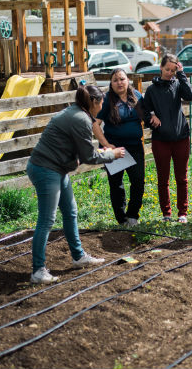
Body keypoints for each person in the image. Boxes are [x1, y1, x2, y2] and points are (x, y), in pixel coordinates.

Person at [27, 85, 125, 284]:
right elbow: (89, 156)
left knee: (70, 211)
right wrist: (111, 155)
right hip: (46, 169)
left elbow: (77, 149)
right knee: (47, 220)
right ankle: (38, 270)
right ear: (94, 102)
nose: (103, 105)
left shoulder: (77, 112)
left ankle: (78, 256)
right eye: (102, 102)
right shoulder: (80, 119)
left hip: (57, 168)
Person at [143, 54, 192, 223]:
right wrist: (152, 118)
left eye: (173, 70)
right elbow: (144, 111)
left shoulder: (178, 84)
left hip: (181, 138)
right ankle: (166, 213)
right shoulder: (152, 90)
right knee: (163, 179)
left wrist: (182, 74)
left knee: (182, 178)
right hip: (161, 140)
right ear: (161, 68)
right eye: (167, 69)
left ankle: (182, 213)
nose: (169, 73)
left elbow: (190, 96)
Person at [93, 68, 145, 227]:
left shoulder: (137, 96)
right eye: (115, 80)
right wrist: (106, 145)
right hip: (113, 148)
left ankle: (132, 215)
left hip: (135, 146)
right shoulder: (107, 99)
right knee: (116, 184)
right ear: (111, 83)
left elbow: (146, 116)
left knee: (138, 181)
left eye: (122, 79)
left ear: (127, 80)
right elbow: (95, 124)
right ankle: (121, 219)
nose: (119, 83)